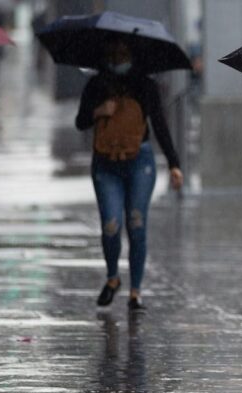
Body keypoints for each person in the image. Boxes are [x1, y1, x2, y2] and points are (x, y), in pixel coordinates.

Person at [76, 38, 184, 311]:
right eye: (114, 53)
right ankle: (113, 277)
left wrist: (174, 163)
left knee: (137, 224)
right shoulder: (96, 85)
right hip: (105, 163)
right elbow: (80, 121)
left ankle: (136, 290)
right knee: (110, 224)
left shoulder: (146, 86)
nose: (119, 59)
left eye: (124, 54)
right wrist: (100, 110)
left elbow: (159, 123)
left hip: (140, 162)